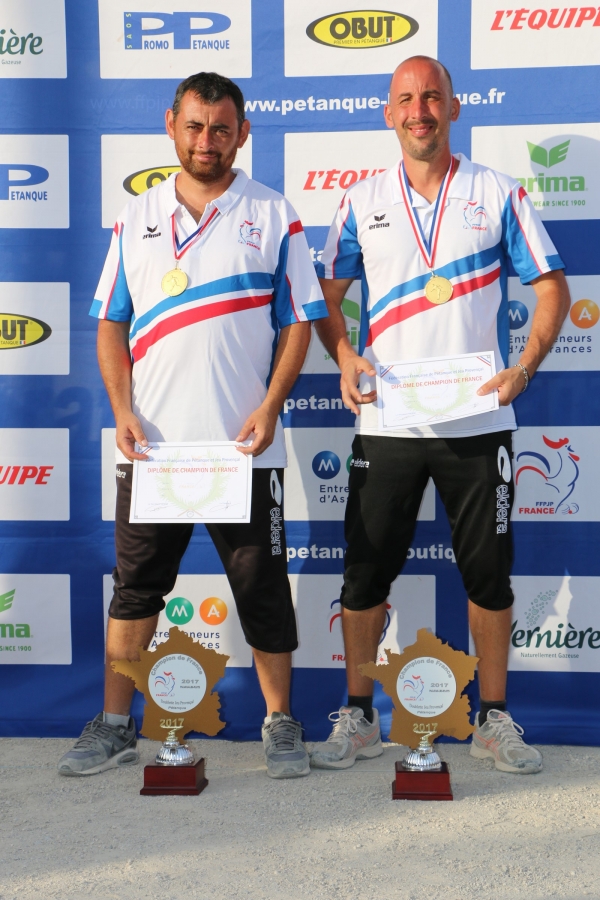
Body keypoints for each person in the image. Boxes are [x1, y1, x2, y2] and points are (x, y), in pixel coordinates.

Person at [58, 72, 326, 780]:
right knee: (137, 591)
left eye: (221, 127)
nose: (207, 140)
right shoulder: (136, 216)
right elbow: (110, 324)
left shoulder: (273, 213)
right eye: (196, 125)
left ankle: (279, 722)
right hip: (155, 451)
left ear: (242, 133)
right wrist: (122, 412)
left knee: (262, 591)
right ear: (171, 125)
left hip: (242, 453)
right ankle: (117, 724)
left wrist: (269, 408)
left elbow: (300, 322)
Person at [310, 56, 570, 774]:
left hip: (478, 424)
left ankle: (492, 718)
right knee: (364, 576)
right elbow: (325, 297)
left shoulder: (497, 192)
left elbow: (552, 287)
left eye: (432, 97)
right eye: (406, 99)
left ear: (454, 107)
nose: (419, 110)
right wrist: (345, 358)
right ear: (387, 112)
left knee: (489, 578)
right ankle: (359, 715)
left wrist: (523, 366)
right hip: (388, 422)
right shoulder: (362, 199)